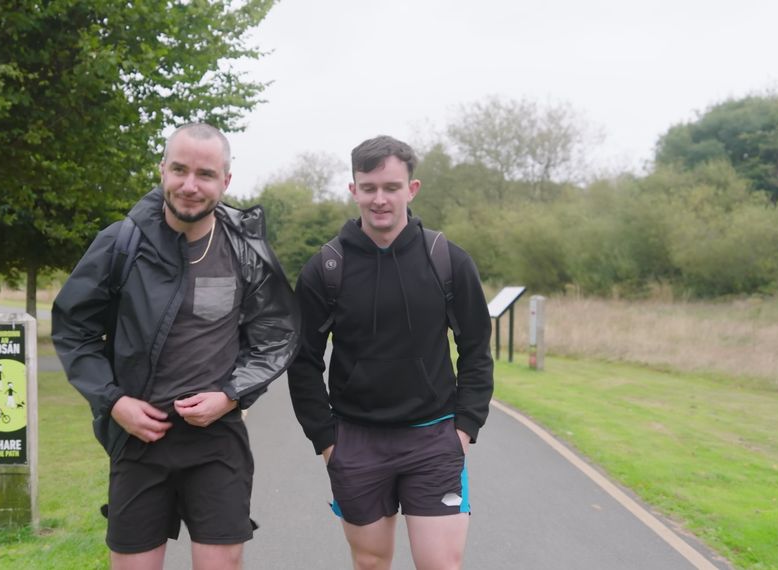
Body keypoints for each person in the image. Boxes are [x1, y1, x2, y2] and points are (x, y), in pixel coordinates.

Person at [52, 123, 299, 570]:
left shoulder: (245, 250)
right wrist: (113, 402)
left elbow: (274, 337)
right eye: (179, 170)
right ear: (162, 169)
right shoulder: (120, 244)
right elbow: (74, 331)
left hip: (216, 443)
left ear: (225, 181)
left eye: (205, 174)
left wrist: (231, 396)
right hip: (139, 441)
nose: (190, 185)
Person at [287, 135, 494, 570]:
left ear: (411, 189)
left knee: (441, 565)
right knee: (371, 564)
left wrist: (464, 428)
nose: (379, 199)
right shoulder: (326, 268)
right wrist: (326, 441)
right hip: (356, 441)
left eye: (391, 187)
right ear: (353, 189)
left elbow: (476, 349)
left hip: (435, 439)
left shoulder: (448, 261)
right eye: (369, 187)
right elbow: (302, 361)